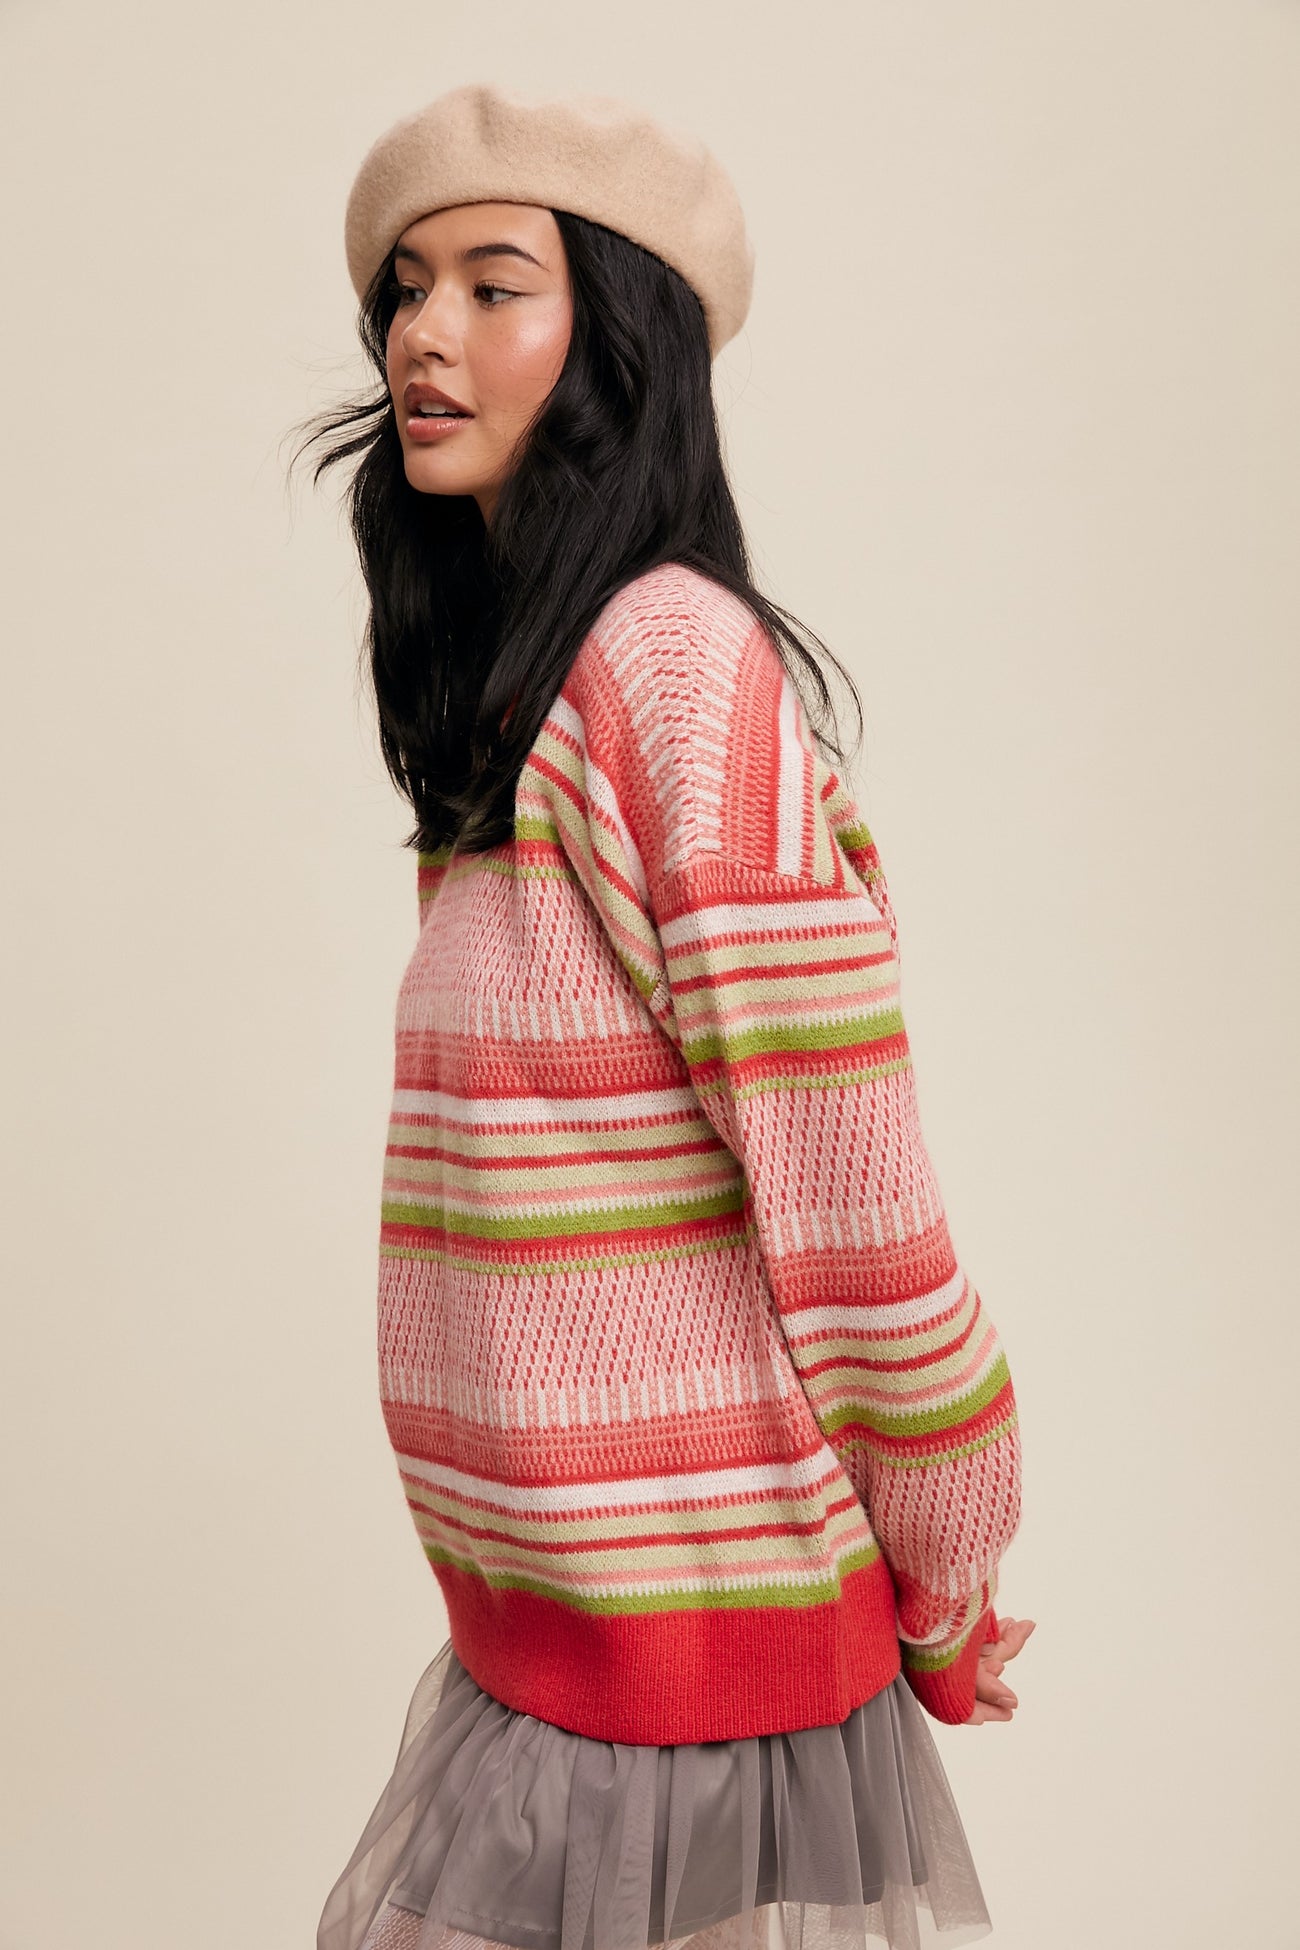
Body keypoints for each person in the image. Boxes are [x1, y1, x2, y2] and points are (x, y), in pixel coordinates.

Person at [293, 82, 1034, 1950]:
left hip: (698, 1655)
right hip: (557, 1639)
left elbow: (851, 1181)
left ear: (618, 342)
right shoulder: (522, 698)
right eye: (406, 288)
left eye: (493, 285)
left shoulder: (675, 667)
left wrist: (948, 1561)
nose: (422, 332)